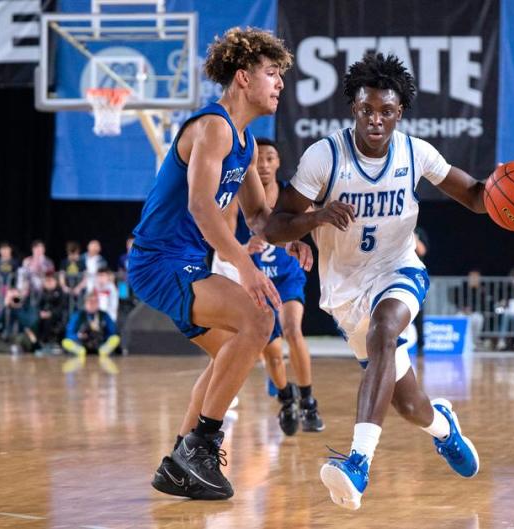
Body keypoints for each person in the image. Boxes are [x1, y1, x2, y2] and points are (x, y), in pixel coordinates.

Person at [264, 53, 490, 510]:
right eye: (367, 109)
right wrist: (318, 217)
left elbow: (474, 196)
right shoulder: (324, 157)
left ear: (399, 113)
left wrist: (509, 195)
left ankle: (358, 463)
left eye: (386, 111)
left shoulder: (415, 152)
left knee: (386, 328)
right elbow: (274, 225)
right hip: (345, 291)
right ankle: (442, 426)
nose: (375, 120)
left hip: (398, 270)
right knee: (409, 406)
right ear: (354, 108)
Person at [127, 27, 302, 501]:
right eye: (272, 73)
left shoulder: (242, 143)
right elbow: (202, 206)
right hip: (160, 260)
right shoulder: (215, 126)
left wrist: (303, 231)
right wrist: (244, 267)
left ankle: (177, 464)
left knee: (231, 348)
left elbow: (261, 218)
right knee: (259, 317)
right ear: (243, 78)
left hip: (182, 263)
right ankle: (201, 445)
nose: (280, 84)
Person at [211, 137, 324, 435]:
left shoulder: (292, 194)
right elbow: (222, 245)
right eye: (258, 158)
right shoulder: (237, 196)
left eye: (269, 158)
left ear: (278, 163)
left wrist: (300, 240)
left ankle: (308, 400)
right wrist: (243, 248)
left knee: (292, 330)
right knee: (271, 352)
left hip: (288, 275)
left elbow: (315, 223)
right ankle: (286, 399)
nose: (262, 164)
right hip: (259, 278)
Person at [61, 292, 120, 374]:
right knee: (66, 342)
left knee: (115, 338)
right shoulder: (78, 315)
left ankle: (103, 351)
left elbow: (112, 331)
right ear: (85, 303)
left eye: (95, 302)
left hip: (99, 343)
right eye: (90, 302)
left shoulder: (104, 315)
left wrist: (102, 335)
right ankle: (80, 351)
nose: (92, 304)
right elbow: (69, 333)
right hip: (82, 343)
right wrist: (78, 336)